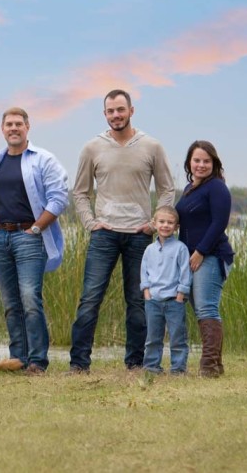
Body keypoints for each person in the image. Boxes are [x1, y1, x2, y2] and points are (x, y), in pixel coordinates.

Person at [69, 89, 175, 373]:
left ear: (131, 110)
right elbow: (79, 192)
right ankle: (79, 363)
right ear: (105, 114)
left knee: (139, 301)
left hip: (140, 236)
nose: (116, 115)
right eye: (110, 111)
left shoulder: (151, 146)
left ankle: (135, 363)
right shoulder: (92, 147)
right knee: (90, 299)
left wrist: (154, 224)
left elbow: (167, 190)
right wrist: (91, 223)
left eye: (120, 109)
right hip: (104, 234)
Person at [0, 107, 69, 375]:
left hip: (29, 237)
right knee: (11, 303)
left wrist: (36, 228)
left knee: (30, 298)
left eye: (19, 123)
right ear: (2, 129)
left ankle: (37, 361)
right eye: (9, 124)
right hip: (0, 238)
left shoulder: (43, 159)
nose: (14, 128)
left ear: (27, 127)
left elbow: (59, 198)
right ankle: (16, 359)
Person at [176, 140, 235, 377]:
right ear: (189, 162)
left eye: (206, 161)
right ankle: (216, 366)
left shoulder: (217, 188)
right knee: (201, 309)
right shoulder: (190, 188)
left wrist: (200, 251)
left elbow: (219, 223)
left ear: (214, 163)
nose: (201, 165)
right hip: (192, 258)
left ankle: (208, 367)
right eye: (197, 160)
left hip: (211, 255)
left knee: (207, 308)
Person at [140, 205, 191, 375]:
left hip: (173, 301)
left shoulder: (180, 248)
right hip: (153, 300)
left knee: (177, 337)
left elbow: (185, 273)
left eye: (170, 222)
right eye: (162, 221)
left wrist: (180, 295)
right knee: (153, 337)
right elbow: (144, 272)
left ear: (176, 227)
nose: (165, 225)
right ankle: (152, 367)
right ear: (154, 224)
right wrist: (146, 292)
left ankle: (178, 369)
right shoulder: (149, 250)